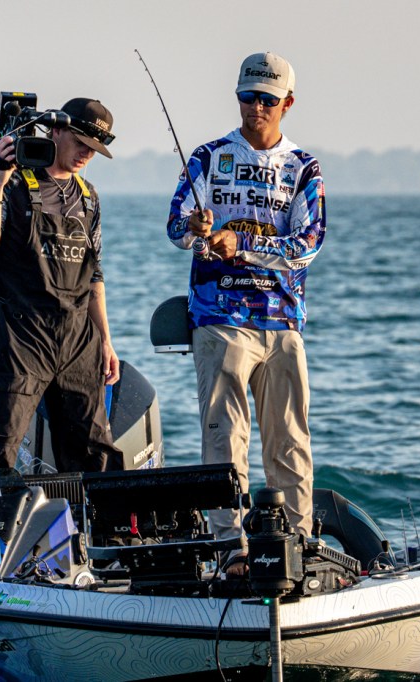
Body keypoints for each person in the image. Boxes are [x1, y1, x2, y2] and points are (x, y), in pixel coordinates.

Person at [166, 52, 327, 574]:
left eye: (266, 100)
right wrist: (195, 227)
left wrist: (244, 244)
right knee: (223, 439)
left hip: (281, 322)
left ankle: (298, 545)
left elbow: (308, 244)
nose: (255, 107)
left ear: (287, 103)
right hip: (219, 318)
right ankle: (229, 549)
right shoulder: (208, 157)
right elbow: (174, 228)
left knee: (290, 442)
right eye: (247, 97)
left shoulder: (303, 167)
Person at [0, 97, 124, 473]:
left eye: (94, 149)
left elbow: (94, 275)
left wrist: (105, 341)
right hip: (21, 336)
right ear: (56, 131)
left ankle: (100, 512)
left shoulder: (89, 197)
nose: (86, 154)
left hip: (78, 338)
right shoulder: (11, 181)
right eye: (80, 142)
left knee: (94, 451)